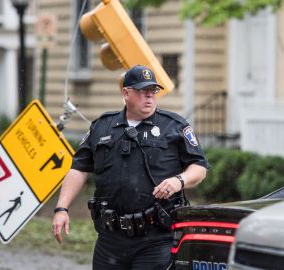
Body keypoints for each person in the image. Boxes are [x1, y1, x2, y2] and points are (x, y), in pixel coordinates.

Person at [52, 65, 209, 269]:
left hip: (156, 239)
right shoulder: (102, 126)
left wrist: (179, 181)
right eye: (143, 91)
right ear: (126, 93)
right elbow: (79, 169)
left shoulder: (174, 126)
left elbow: (199, 167)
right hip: (110, 239)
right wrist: (61, 208)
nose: (150, 97)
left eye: (153, 92)